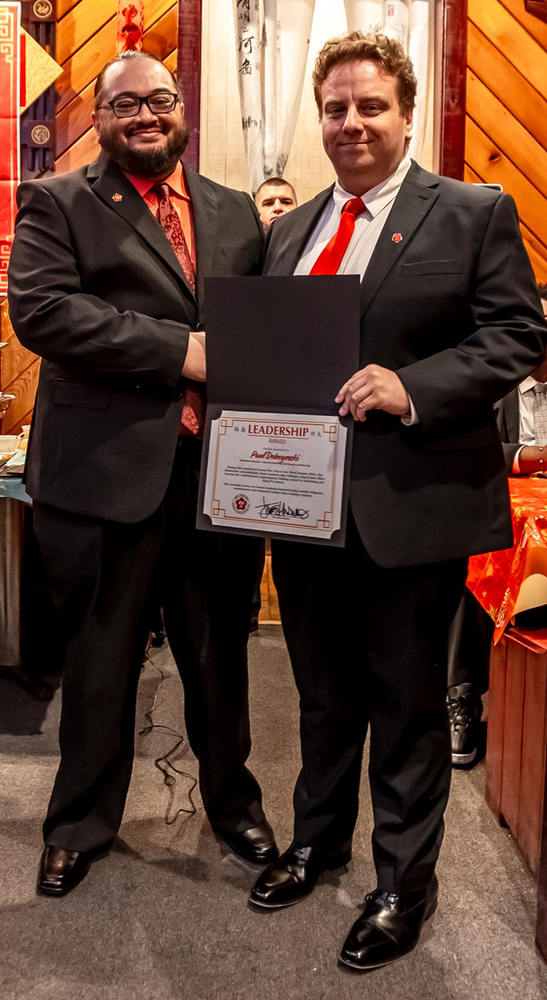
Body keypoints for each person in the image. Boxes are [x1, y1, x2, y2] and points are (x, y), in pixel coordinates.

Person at [249, 31, 546, 971]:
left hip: (411, 507)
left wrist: (409, 384)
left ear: (406, 113)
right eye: (333, 108)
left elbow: (515, 335)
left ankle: (398, 886)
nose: (349, 124)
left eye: (369, 106)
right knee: (321, 696)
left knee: (405, 706)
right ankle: (317, 842)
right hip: (301, 510)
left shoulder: (467, 212)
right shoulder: (288, 231)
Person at [7, 50, 278, 897]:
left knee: (217, 654)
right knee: (99, 658)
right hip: (101, 476)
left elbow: (266, 326)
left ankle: (234, 806)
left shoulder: (235, 213)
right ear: (100, 115)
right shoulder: (57, 201)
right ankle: (80, 823)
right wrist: (181, 353)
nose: (146, 116)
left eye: (159, 100)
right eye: (126, 105)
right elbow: (44, 311)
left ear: (180, 107)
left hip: (217, 476)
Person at [447, 283, 547, 768]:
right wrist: (530, 457)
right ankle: (462, 693)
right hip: (500, 513)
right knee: (477, 558)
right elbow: (467, 447)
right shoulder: (491, 384)